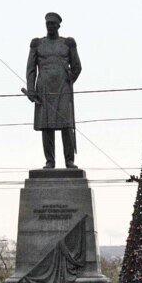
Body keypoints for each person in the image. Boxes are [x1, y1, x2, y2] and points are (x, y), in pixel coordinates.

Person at [25, 12, 81, 169]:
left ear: (58, 26)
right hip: (44, 89)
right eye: (47, 24)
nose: (50, 26)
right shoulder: (37, 44)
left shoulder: (67, 43)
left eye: (53, 24)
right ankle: (50, 161)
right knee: (47, 126)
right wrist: (31, 89)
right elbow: (31, 69)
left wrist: (71, 78)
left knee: (66, 125)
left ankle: (69, 161)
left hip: (63, 88)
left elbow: (77, 66)